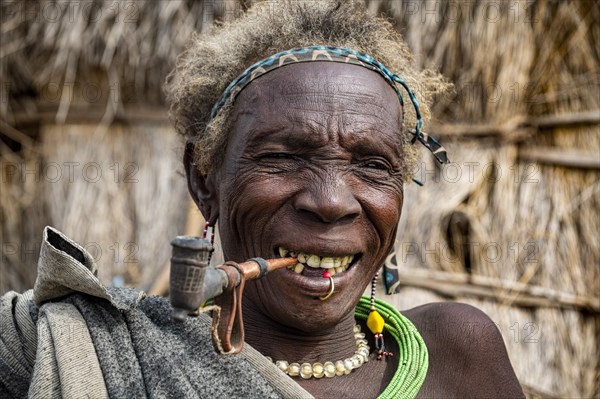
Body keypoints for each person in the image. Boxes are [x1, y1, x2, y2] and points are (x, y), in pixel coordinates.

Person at [1, 1, 524, 398]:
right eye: (282, 157)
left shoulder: (460, 355)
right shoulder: (104, 350)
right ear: (204, 180)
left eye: (372, 165)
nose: (331, 201)